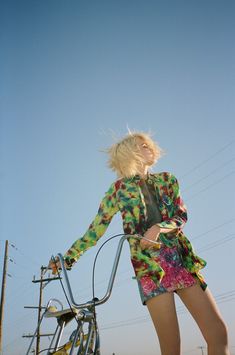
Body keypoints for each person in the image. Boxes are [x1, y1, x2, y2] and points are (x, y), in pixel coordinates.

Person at [49, 131, 229, 355]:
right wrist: (68, 257)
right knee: (171, 347)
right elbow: (95, 230)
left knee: (218, 333)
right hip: (150, 269)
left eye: (149, 144)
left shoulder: (167, 180)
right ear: (130, 153)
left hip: (181, 261)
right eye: (143, 146)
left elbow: (181, 216)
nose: (150, 148)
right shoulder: (118, 191)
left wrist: (158, 228)